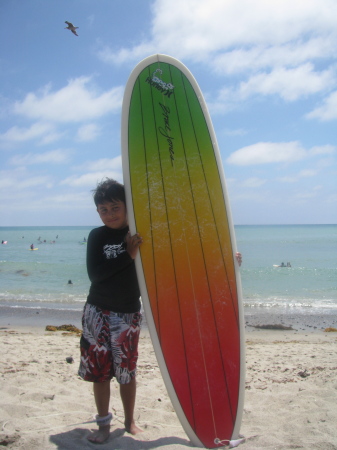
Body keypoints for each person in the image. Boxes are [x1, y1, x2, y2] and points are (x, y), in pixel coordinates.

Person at [78, 178, 143, 444]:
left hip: (127, 314)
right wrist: (126, 255)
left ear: (128, 206)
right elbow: (96, 275)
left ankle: (129, 421)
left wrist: (228, 258)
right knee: (100, 372)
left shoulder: (140, 234)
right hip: (97, 310)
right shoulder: (97, 236)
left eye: (115, 207)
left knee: (126, 372)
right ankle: (103, 424)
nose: (110, 214)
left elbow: (176, 257)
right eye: (103, 210)